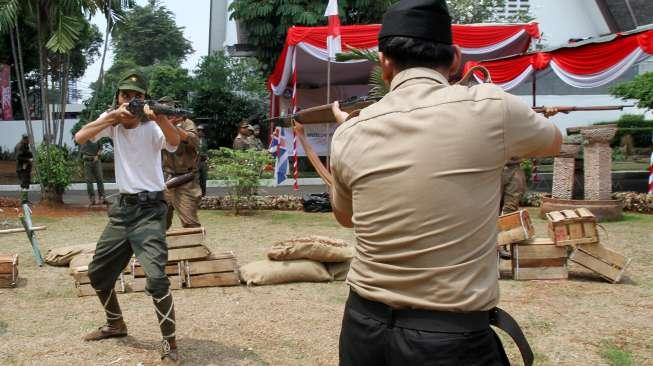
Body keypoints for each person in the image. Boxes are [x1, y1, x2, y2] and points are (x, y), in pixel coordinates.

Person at [328, 1, 562, 365]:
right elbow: (553, 141)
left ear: (384, 63)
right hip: (449, 340)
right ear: (455, 58)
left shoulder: (350, 132)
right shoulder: (492, 108)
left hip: (363, 330)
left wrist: (351, 127)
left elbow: (345, 217)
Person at [74, 70, 181, 365]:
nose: (131, 101)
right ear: (118, 98)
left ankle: (170, 343)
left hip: (150, 211)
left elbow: (174, 142)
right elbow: (81, 137)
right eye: (125, 95)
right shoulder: (114, 125)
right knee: (98, 273)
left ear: (145, 99)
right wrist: (112, 116)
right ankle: (115, 324)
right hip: (123, 211)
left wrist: (158, 115)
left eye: (137, 96)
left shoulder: (153, 127)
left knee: (157, 279)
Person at [159, 96, 202, 229]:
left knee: (190, 223)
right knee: (159, 223)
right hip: (166, 179)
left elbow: (194, 141)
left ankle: (194, 248)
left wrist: (171, 126)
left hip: (185, 180)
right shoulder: (157, 124)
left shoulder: (186, 123)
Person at [80, 140, 108, 205]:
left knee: (100, 179)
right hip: (87, 161)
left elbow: (101, 148)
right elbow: (81, 152)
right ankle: (92, 198)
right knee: (89, 180)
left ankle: (102, 197)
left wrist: (97, 155)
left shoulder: (97, 138)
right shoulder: (84, 138)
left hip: (96, 161)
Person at [15, 134, 32, 204]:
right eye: (28, 139)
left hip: (26, 169)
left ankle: (25, 199)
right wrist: (28, 160)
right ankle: (23, 200)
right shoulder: (20, 146)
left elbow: (27, 154)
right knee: (24, 184)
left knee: (26, 183)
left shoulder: (25, 145)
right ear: (25, 139)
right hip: (22, 169)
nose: (29, 141)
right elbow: (18, 157)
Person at [197, 124, 209, 197]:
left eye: (202, 130)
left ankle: (203, 194)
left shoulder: (204, 140)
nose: (200, 132)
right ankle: (197, 194)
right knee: (196, 178)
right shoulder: (193, 139)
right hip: (196, 162)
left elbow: (205, 150)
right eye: (199, 130)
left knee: (203, 178)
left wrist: (207, 156)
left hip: (203, 162)